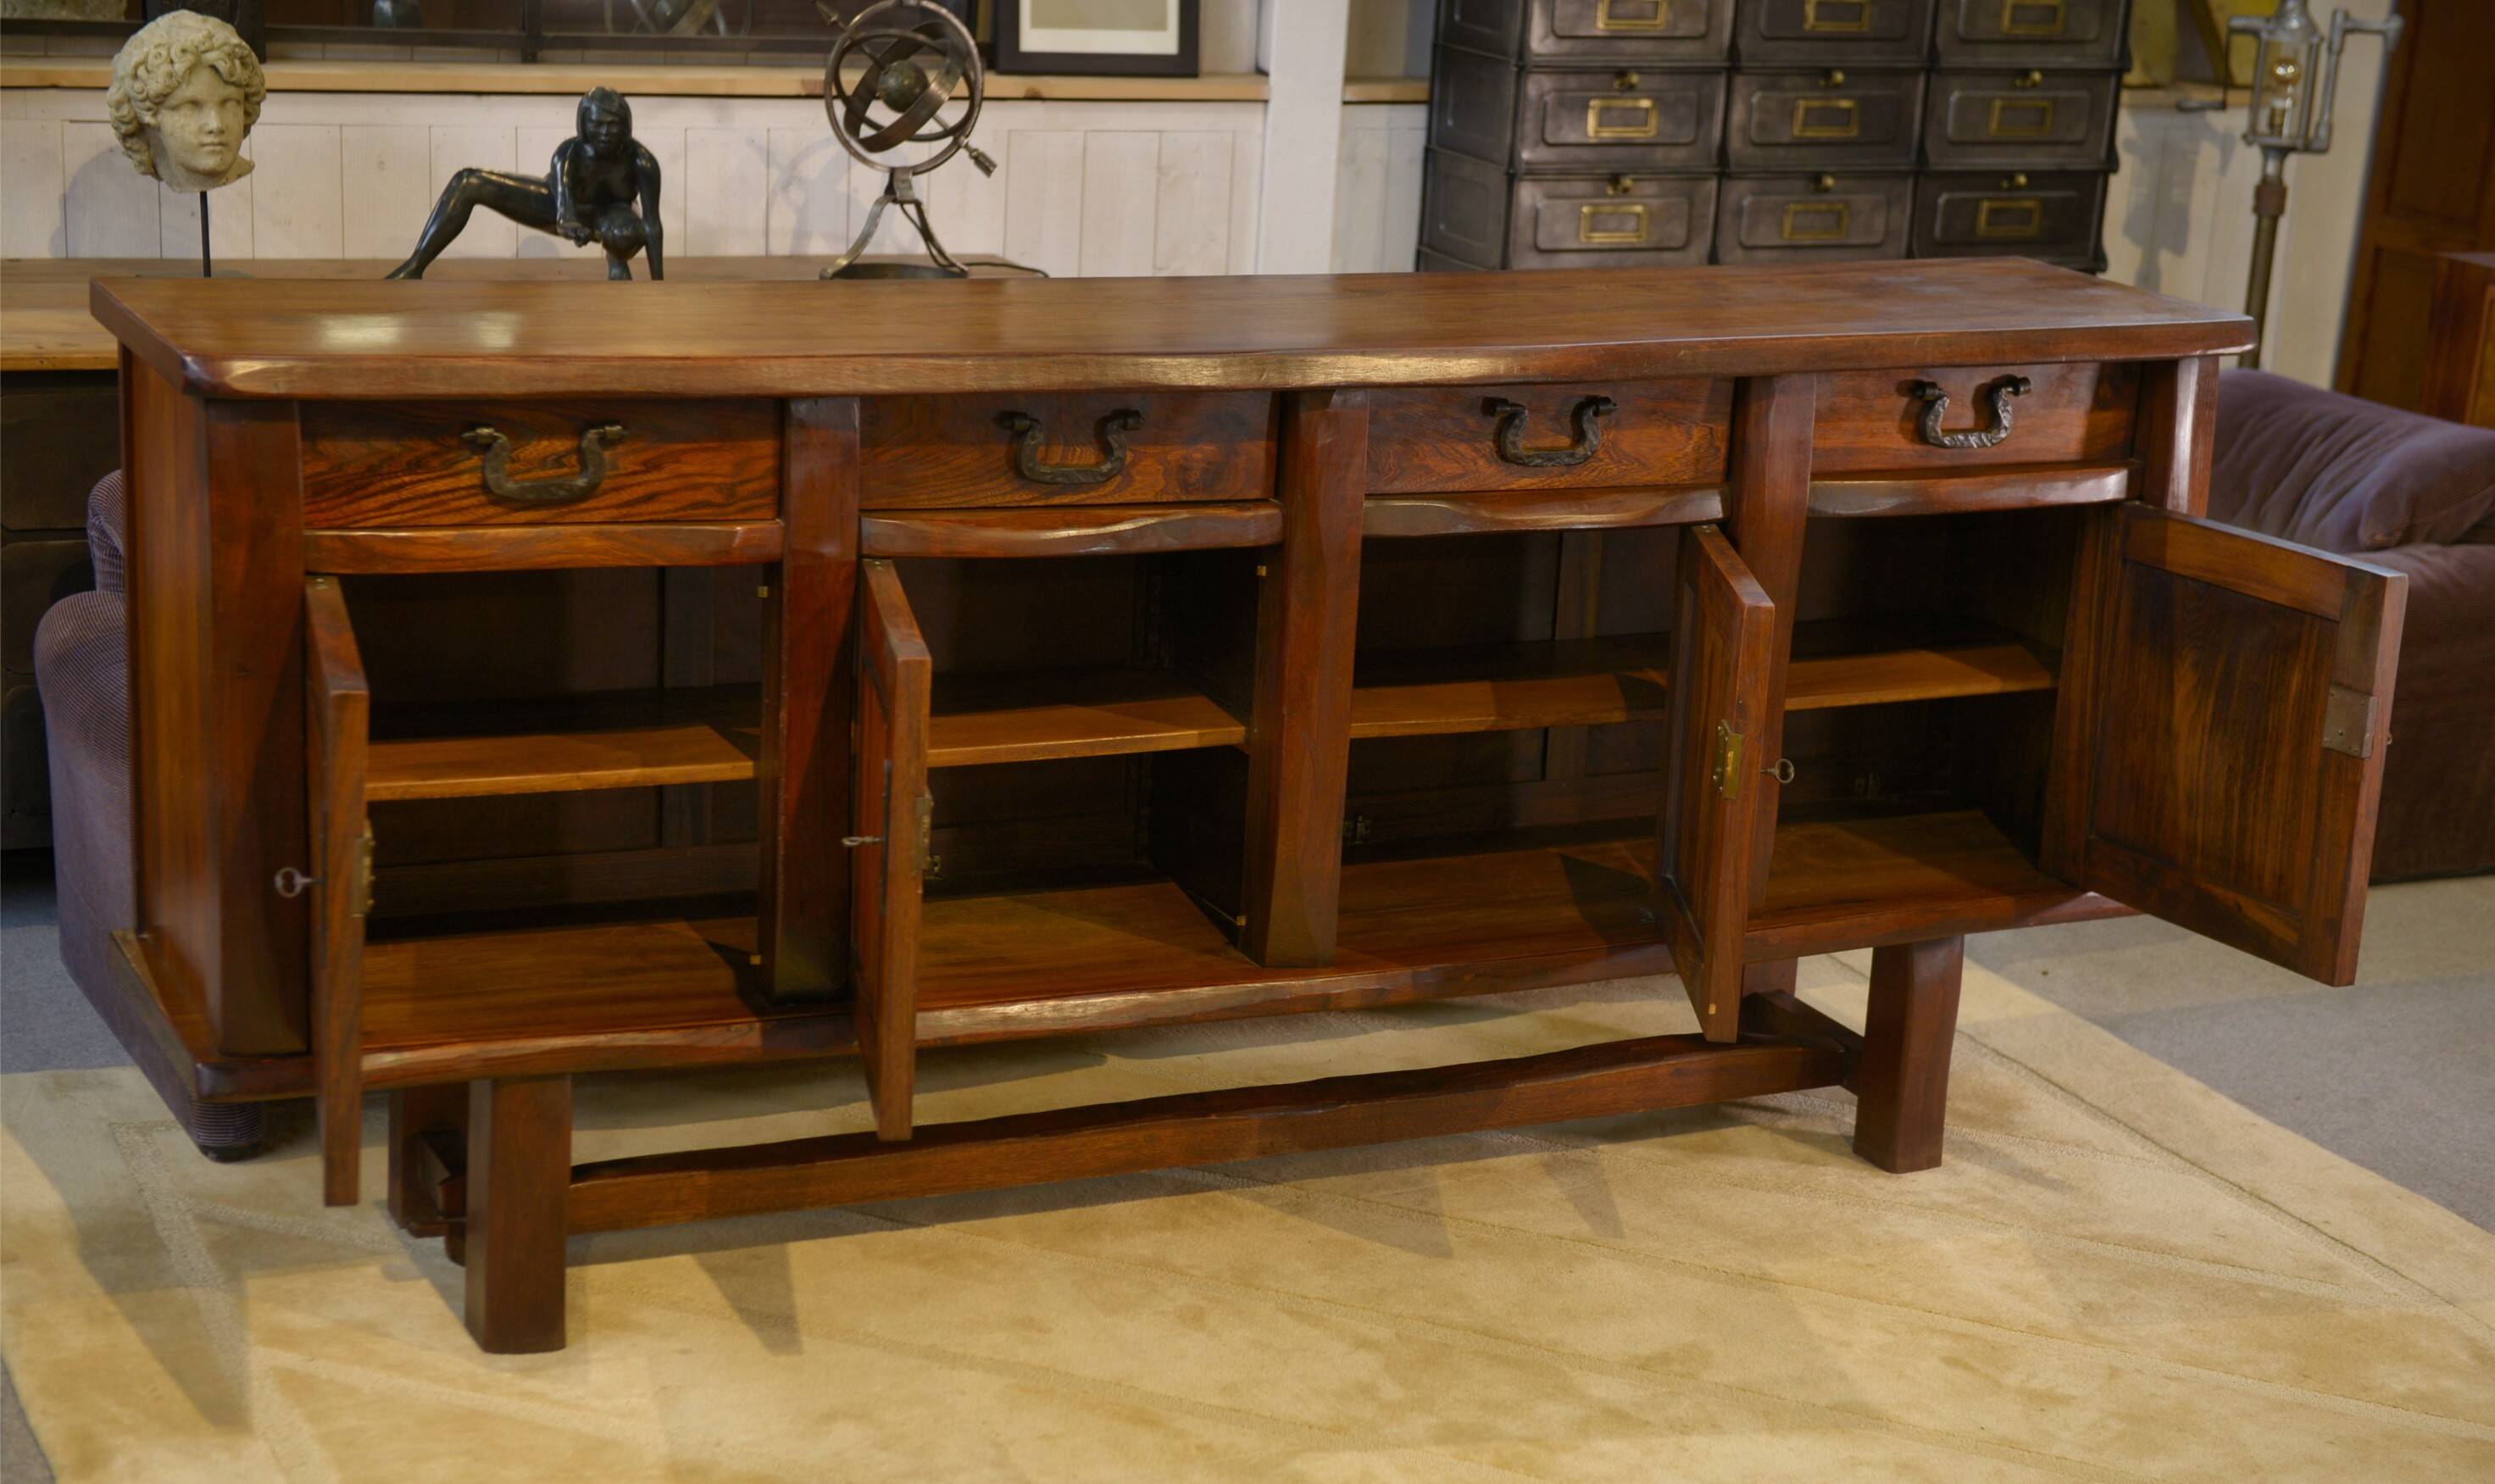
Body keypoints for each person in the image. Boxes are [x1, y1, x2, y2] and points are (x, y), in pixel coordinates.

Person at [387, 87, 664, 281]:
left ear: (626, 126)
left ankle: (617, 259)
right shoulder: (568, 154)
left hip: (612, 217)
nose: (605, 133)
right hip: (558, 206)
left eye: (613, 125)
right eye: (597, 124)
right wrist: (568, 223)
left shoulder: (642, 162)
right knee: (468, 181)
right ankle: (415, 265)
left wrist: (659, 286)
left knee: (626, 233)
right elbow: (565, 214)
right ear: (583, 125)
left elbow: (652, 224)